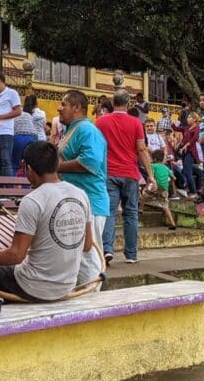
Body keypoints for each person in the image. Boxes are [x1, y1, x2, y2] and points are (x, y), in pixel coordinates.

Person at [0, 142, 93, 301]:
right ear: (56, 165)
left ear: (28, 169)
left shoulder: (32, 200)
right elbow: (88, 244)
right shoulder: (81, 194)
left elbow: (15, 256)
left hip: (34, 288)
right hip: (66, 285)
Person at [97, 90, 156, 264]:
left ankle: (107, 249)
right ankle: (131, 254)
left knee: (109, 212)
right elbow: (141, 149)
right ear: (129, 104)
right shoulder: (136, 123)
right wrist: (150, 175)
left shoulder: (101, 122)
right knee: (131, 213)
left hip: (108, 172)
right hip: (130, 173)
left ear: (112, 103)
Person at [57, 90, 110, 267]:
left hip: (91, 203)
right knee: (78, 257)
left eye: (64, 104)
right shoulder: (73, 129)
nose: (59, 108)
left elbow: (91, 161)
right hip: (76, 203)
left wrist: (54, 167)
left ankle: (93, 293)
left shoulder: (87, 129)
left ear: (77, 107)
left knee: (89, 257)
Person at [147, 149, 178, 229]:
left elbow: (150, 177)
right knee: (165, 206)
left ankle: (140, 209)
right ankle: (173, 223)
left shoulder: (153, 166)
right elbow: (174, 178)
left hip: (155, 187)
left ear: (155, 159)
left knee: (143, 196)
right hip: (164, 189)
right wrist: (169, 182)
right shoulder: (166, 167)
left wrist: (148, 185)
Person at [176, 112, 203, 201]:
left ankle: (193, 192)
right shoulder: (187, 128)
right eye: (188, 117)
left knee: (187, 172)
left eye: (190, 117)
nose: (188, 118)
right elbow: (177, 128)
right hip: (184, 153)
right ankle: (195, 189)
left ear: (195, 119)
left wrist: (187, 145)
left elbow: (195, 138)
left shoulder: (196, 128)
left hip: (191, 152)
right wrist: (172, 123)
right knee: (188, 171)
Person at [12, 97, 42, 173]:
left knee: (14, 163)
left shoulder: (12, 113)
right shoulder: (28, 114)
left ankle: (10, 184)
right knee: (30, 165)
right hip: (33, 137)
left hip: (19, 137)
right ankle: (28, 184)